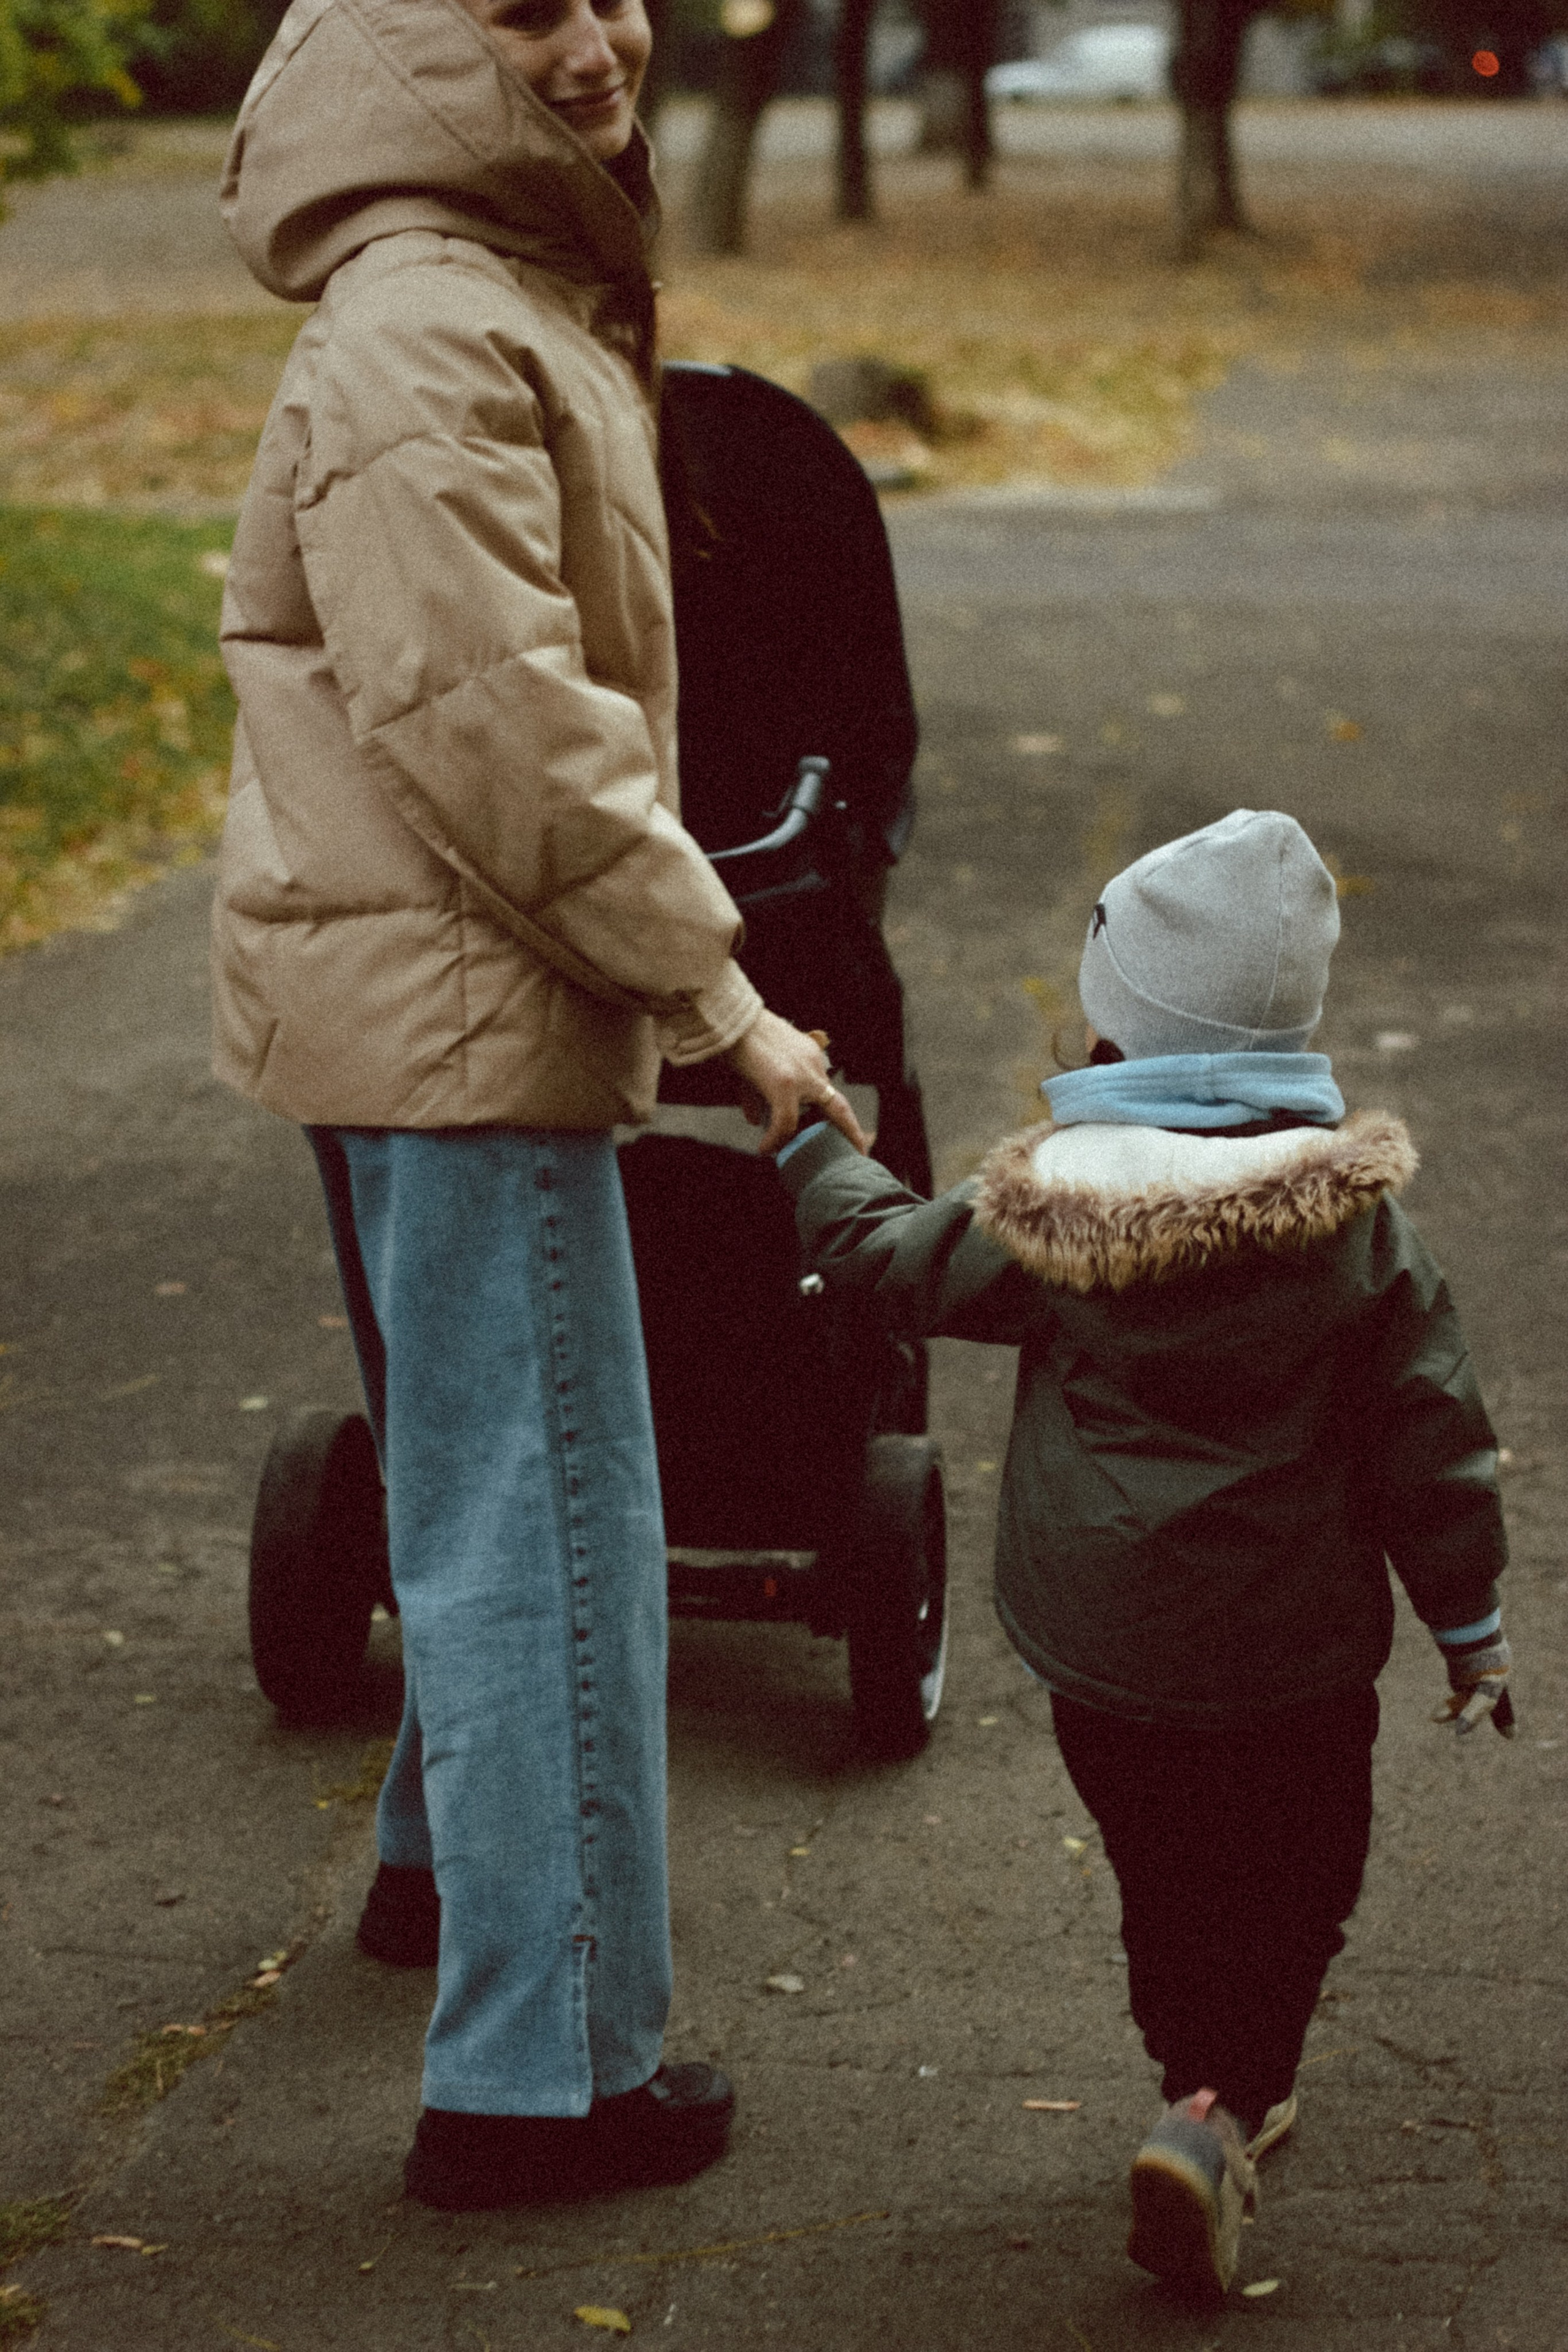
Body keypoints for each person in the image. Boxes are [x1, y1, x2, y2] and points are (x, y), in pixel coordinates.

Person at [209, 0, 866, 2211]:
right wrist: (723, 998)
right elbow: (495, 722)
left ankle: (444, 1872)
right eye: (519, 8)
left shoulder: (471, 282)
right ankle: (549, 2072)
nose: (592, 43)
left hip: (404, 991)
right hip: (465, 1012)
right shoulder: (432, 325)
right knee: (551, 1521)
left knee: (470, 1480)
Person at [774, 808, 1511, 2298]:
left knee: (1163, 1869)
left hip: (1106, 1645)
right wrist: (1466, 1622)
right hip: (1292, 1654)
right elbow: (1427, 1433)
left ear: (1117, 1023)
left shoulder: (1053, 1208)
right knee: (1297, 1877)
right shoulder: (1359, 1235)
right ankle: (1226, 2103)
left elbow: (885, 1260)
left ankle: (1191, 2082)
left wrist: (806, 1140)